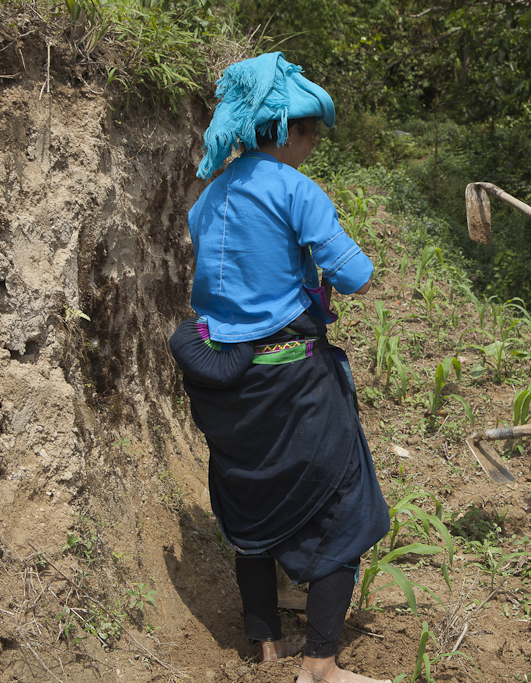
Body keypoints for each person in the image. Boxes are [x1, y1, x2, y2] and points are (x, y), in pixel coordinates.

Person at [169, 52, 391, 683]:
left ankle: (266, 646)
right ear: (286, 132)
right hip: (292, 380)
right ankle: (320, 665)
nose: (315, 143)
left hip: (224, 384)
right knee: (344, 505)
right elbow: (357, 275)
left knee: (250, 503)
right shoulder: (296, 189)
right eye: (311, 131)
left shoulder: (209, 194)